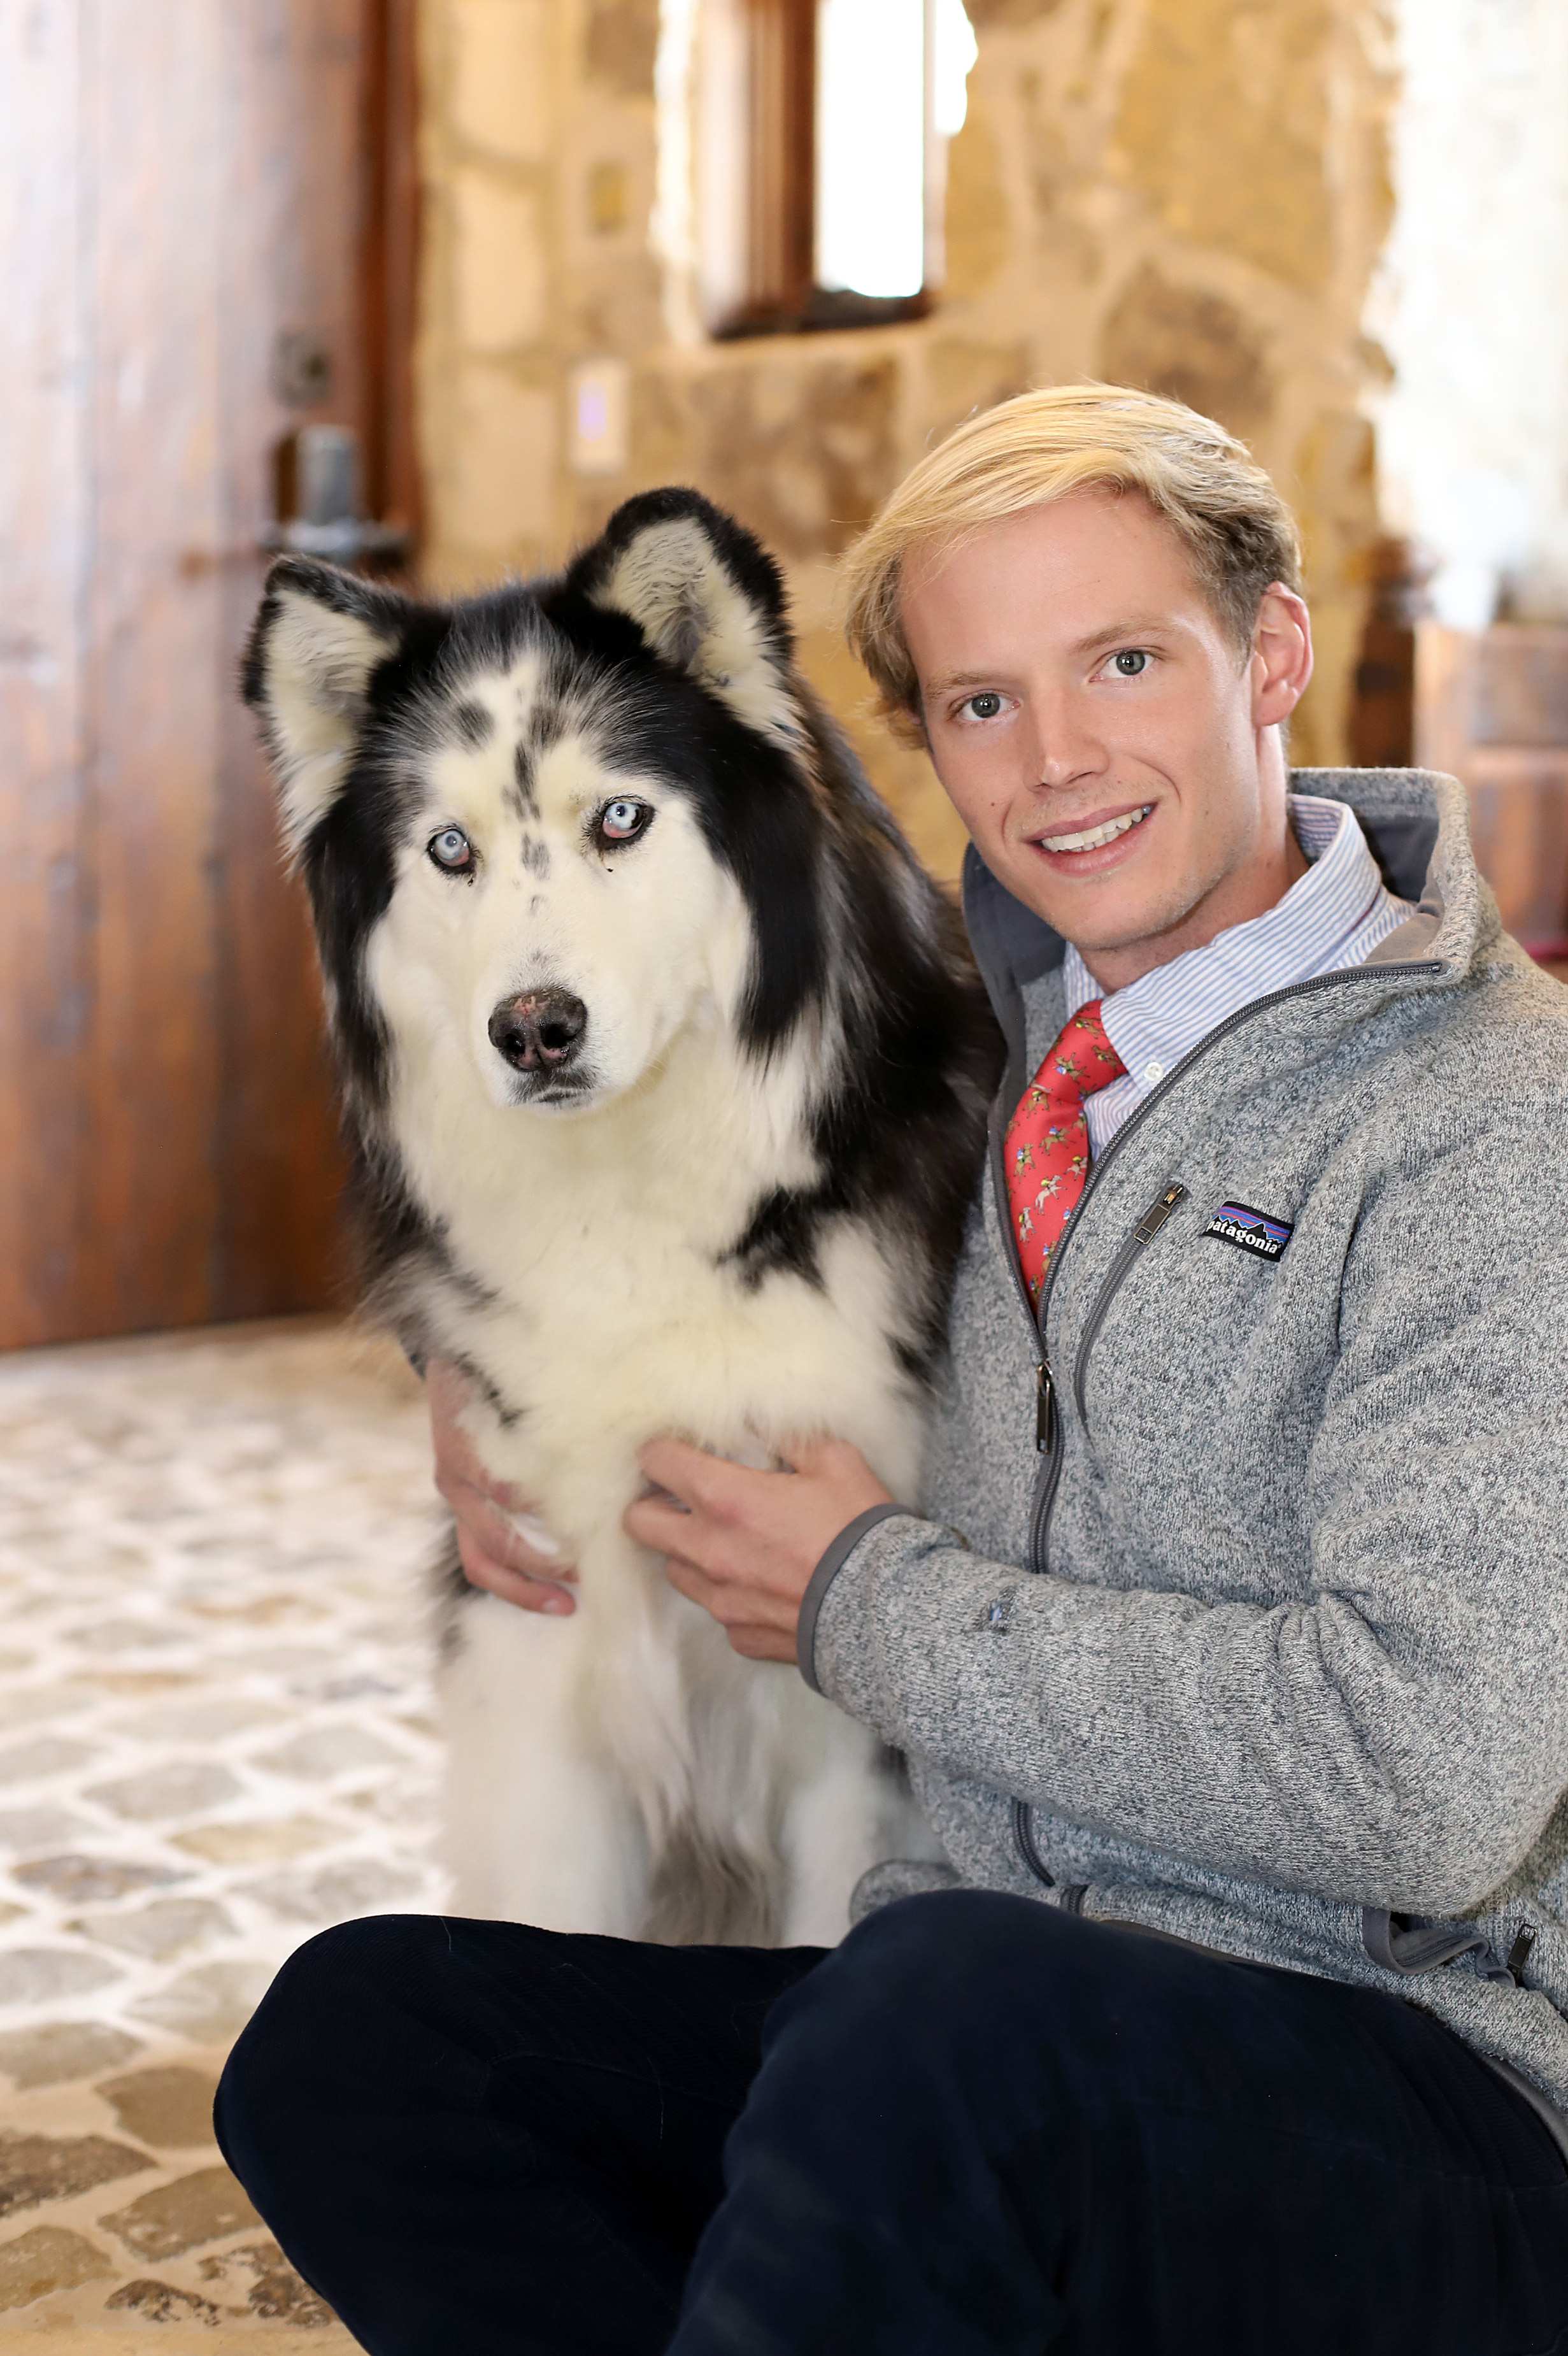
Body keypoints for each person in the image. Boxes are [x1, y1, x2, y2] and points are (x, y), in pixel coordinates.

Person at [216, 387, 1568, 2353]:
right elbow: (677, 1205)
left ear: (1273, 654)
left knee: (923, 2016)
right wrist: (474, 1372)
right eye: (982, 700)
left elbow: (1426, 1782)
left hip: (1417, 2092)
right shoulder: (1007, 1059)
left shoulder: (1496, 1123)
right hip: (982, 2028)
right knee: (361, 2038)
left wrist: (872, 1601)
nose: (1059, 758)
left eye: (1124, 662)